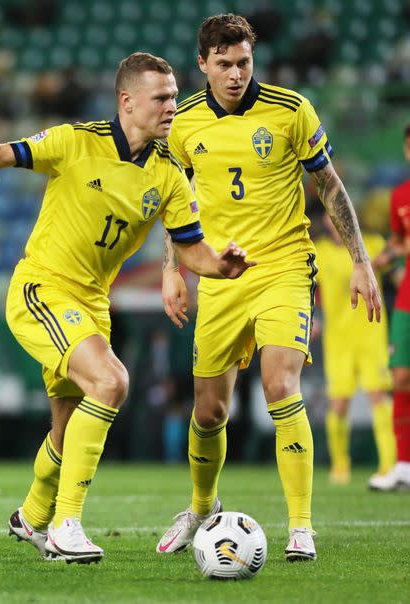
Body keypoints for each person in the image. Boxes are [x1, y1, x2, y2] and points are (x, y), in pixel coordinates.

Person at [0, 52, 254, 563]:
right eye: (161, 98)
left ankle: (31, 516)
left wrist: (220, 266)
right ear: (127, 101)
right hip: (42, 289)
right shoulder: (75, 141)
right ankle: (67, 525)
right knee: (111, 382)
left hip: (93, 303)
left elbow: (190, 248)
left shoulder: (170, 177)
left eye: (176, 97)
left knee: (67, 432)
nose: (172, 107)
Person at [157, 14, 382, 562]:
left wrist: (360, 260)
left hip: (284, 264)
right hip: (220, 275)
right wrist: (173, 267)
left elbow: (328, 185)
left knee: (281, 385)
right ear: (203, 64)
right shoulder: (182, 122)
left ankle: (300, 527)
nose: (235, 74)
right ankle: (202, 506)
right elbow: (173, 194)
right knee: (208, 412)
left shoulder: (290, 109)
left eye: (244, 63)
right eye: (224, 64)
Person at [314, 213, 395, 486]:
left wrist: (392, 265)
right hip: (338, 341)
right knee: (338, 404)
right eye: (330, 223)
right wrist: (310, 317)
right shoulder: (321, 253)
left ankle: (389, 465)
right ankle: (340, 465)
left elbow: (393, 264)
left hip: (372, 335)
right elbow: (305, 286)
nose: (336, 228)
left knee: (379, 398)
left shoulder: (371, 244)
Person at [370, 123, 410, 490]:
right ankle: (402, 464)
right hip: (406, 301)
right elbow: (399, 243)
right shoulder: (400, 197)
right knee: (399, 379)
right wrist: (373, 264)